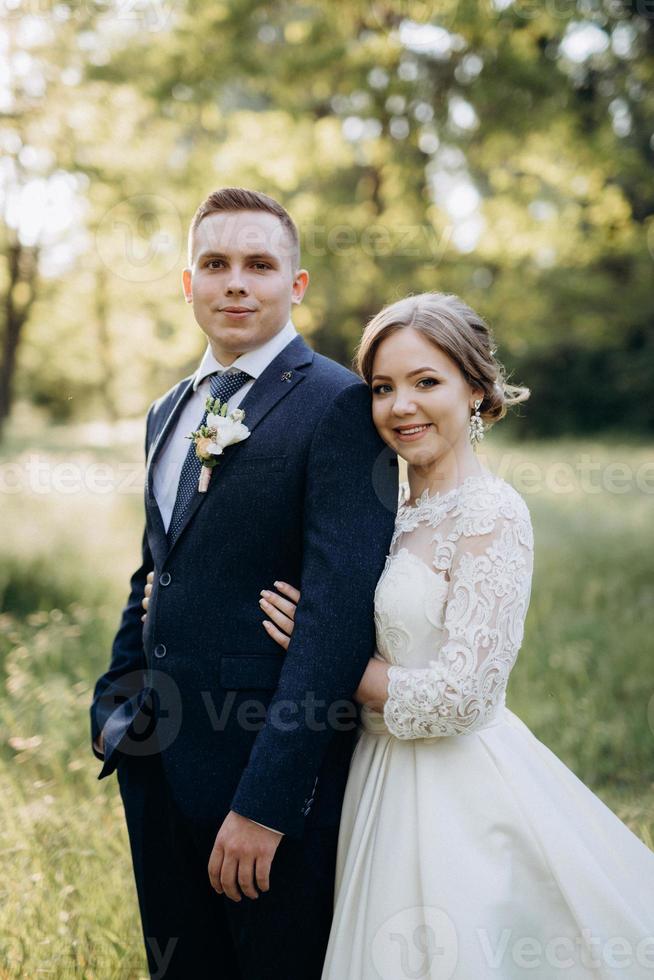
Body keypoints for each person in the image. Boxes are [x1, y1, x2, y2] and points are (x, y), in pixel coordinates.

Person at [253, 292, 654, 979]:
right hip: (373, 778)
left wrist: (326, 658)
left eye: (426, 382)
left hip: (453, 793)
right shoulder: (388, 512)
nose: (400, 406)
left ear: (475, 389)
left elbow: (463, 697)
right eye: (383, 388)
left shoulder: (492, 514)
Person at [90, 187, 398, 979]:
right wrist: (113, 701)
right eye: (215, 264)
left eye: (259, 265)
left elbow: (334, 619)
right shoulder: (168, 409)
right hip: (156, 762)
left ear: (296, 285)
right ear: (186, 283)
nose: (236, 282)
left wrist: (267, 805)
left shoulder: (339, 405)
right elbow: (156, 564)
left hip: (261, 776)